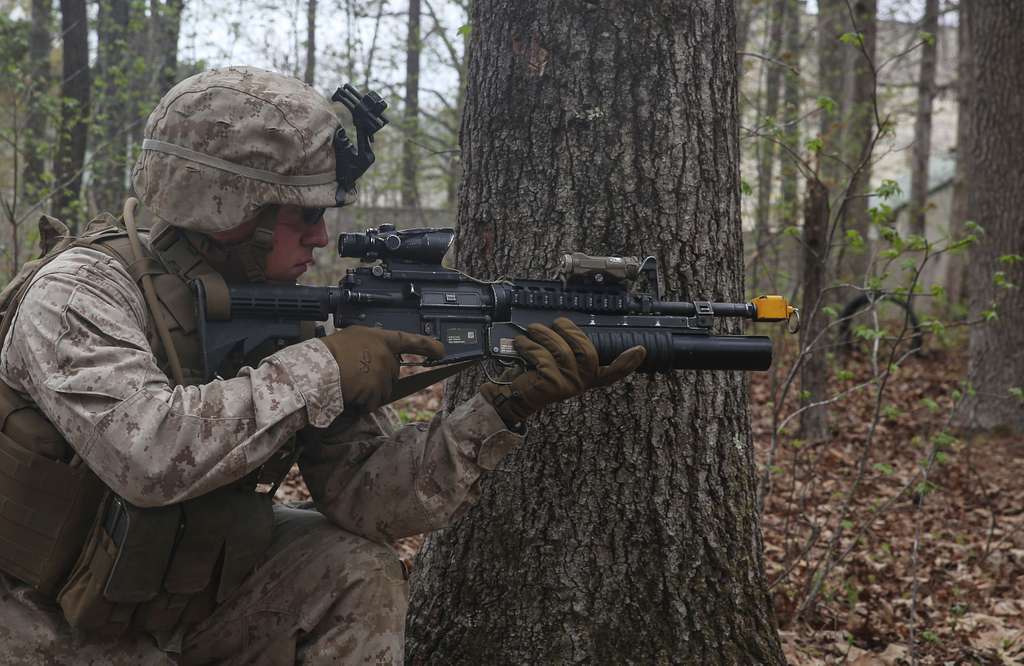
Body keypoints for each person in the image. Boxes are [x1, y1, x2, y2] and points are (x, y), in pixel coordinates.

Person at [0, 66, 645, 664]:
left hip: (184, 597)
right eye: (304, 215)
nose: (318, 237)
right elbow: (146, 456)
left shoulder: (280, 312)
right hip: (44, 618)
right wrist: (320, 371)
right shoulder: (81, 292)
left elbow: (367, 495)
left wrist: (500, 410)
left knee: (357, 573)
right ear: (232, 210)